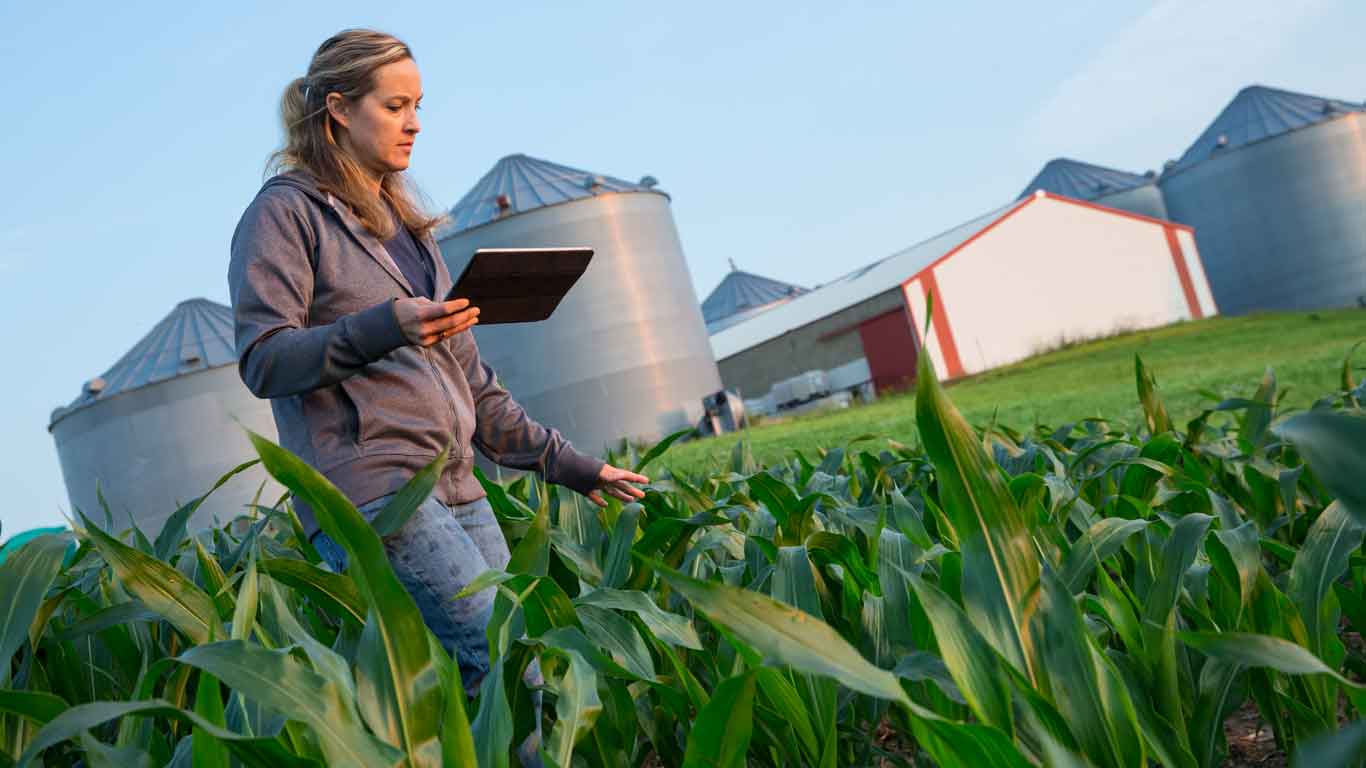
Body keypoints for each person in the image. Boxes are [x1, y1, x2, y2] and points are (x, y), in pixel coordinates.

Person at [227, 28, 648, 762]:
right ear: (338, 110)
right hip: (375, 493)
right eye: (395, 106)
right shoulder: (284, 215)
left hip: (458, 486)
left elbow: (476, 390)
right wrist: (383, 326)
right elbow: (263, 359)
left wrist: (577, 467)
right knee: (504, 668)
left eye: (419, 105)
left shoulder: (411, 236)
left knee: (506, 681)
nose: (415, 122)